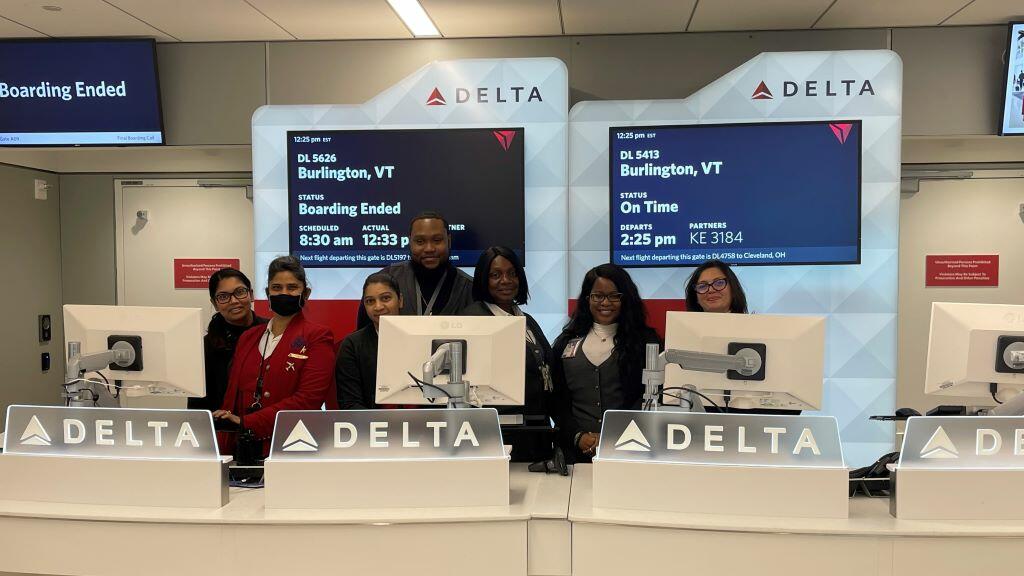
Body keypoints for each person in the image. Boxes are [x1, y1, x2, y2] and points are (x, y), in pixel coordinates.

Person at [214, 256, 336, 458]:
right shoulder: (249, 337)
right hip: (242, 447)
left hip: (290, 444)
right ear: (267, 293)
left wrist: (247, 422)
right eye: (277, 288)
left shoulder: (318, 336)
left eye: (292, 287)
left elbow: (308, 400)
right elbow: (233, 394)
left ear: (306, 293)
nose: (284, 293)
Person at [551, 263, 661, 464]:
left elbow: (650, 397)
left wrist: (615, 436)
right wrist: (578, 436)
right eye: (598, 296)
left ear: (625, 299)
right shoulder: (565, 342)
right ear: (587, 299)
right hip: (575, 455)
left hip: (631, 451)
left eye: (614, 296)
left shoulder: (646, 342)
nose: (605, 302)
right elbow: (557, 400)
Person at [460, 246, 554, 463]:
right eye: (496, 275)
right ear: (483, 279)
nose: (506, 280)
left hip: (534, 430)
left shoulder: (526, 319)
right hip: (499, 435)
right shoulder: (474, 320)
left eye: (512, 273)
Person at [188, 268, 268, 412]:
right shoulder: (205, 347)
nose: (234, 301)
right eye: (223, 296)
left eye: (240, 292)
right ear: (214, 303)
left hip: (268, 422)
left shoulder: (272, 332)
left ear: (251, 294)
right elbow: (197, 406)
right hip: (222, 427)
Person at [378, 211, 473, 318]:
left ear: (449, 241)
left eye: (437, 240)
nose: (429, 249)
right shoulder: (386, 280)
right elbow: (365, 333)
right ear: (410, 242)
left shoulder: (469, 288)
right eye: (420, 241)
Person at [335, 272, 403, 409]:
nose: (378, 307)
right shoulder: (352, 345)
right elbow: (350, 403)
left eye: (385, 298)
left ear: (400, 300)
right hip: (369, 426)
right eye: (370, 301)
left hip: (424, 425)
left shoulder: (424, 337)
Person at [683, 259, 749, 314]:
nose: (711, 290)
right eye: (702, 286)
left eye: (719, 283)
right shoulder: (680, 328)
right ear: (695, 297)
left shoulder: (754, 326)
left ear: (733, 289)